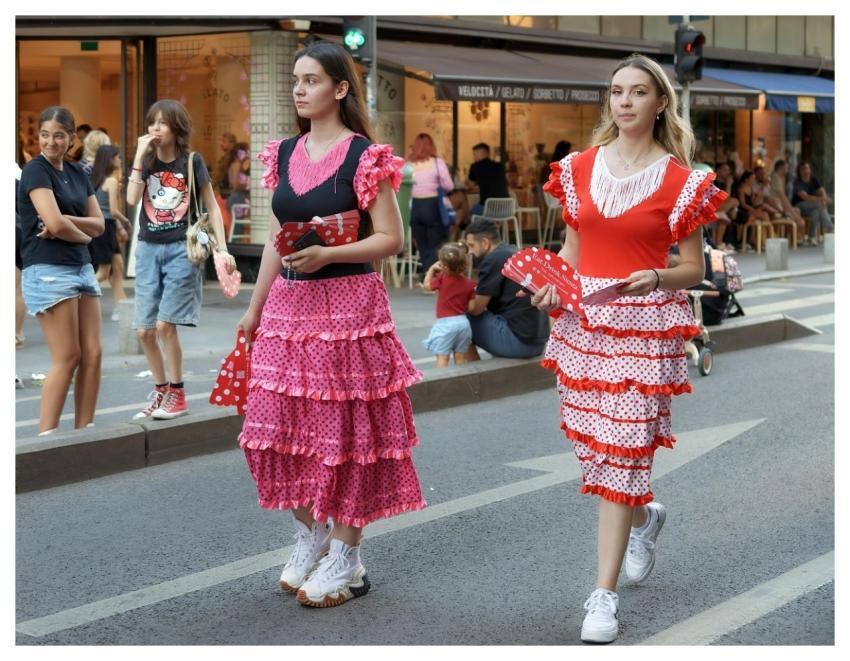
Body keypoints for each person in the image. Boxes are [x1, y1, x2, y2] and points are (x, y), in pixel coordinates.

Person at [536, 54, 727, 644]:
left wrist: (658, 277)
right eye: (617, 91)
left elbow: (694, 268)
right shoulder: (577, 168)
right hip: (583, 325)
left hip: (643, 327)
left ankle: (603, 598)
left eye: (638, 92)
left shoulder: (683, 182)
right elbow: (571, 252)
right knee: (596, 456)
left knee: (620, 454)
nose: (624, 101)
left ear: (660, 103)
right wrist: (551, 286)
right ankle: (645, 517)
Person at [237, 41, 425, 609]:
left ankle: (346, 554)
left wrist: (329, 256)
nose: (299, 89)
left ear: (340, 89)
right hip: (288, 310)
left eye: (312, 79)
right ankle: (310, 535)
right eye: (296, 79)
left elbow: (390, 239)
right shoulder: (283, 152)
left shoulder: (364, 157)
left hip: (349, 310)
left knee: (346, 435)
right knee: (279, 430)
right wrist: (254, 308)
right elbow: (279, 240)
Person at [126, 99, 236, 420]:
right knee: (144, 331)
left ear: (176, 128)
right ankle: (161, 392)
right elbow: (132, 199)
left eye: (163, 123)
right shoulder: (146, 163)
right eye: (152, 122)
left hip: (181, 249)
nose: (156, 129)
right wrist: (138, 157)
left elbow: (211, 205)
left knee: (164, 324)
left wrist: (223, 248)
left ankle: (178, 394)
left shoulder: (191, 161)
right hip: (147, 250)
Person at [18, 106, 106, 435]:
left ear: (71, 138)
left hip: (81, 267)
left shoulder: (77, 173)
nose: (50, 142)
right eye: (44, 135)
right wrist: (82, 234)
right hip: (47, 269)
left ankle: (84, 434)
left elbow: (99, 223)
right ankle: (46, 439)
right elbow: (54, 224)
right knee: (68, 356)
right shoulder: (35, 170)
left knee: (93, 354)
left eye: (58, 135)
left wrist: (69, 223)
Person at [463, 218, 549, 359]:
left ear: (485, 242)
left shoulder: (493, 259)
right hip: (538, 342)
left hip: (519, 343)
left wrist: (449, 289)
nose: (470, 252)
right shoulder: (514, 251)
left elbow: (476, 308)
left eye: (471, 246)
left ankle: (470, 371)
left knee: (460, 320)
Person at [89, 144, 132, 320]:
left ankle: (122, 309)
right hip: (105, 229)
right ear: (110, 159)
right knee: (103, 273)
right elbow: (113, 211)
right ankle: (75, 294)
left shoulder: (97, 181)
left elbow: (106, 210)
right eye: (118, 157)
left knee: (118, 268)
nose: (120, 160)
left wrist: (119, 227)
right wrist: (126, 221)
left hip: (103, 227)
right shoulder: (111, 181)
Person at [408, 132, 454, 280]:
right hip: (433, 205)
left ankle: (426, 273)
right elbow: (449, 185)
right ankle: (431, 275)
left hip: (414, 206)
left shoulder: (408, 165)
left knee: (422, 243)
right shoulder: (437, 163)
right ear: (431, 146)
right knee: (435, 242)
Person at [422, 242, 476, 367]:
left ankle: (441, 380)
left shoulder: (442, 278)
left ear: (444, 266)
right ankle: (461, 377)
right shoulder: (471, 284)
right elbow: (472, 307)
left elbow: (426, 286)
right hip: (463, 323)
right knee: (460, 357)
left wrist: (431, 269)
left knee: (443, 357)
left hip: (445, 324)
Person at [792, 161, 834, 244]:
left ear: (810, 170)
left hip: (813, 205)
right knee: (819, 205)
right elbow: (805, 197)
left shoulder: (813, 179)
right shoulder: (797, 182)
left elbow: (821, 190)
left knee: (816, 213)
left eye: (807, 168)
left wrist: (824, 197)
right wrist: (822, 199)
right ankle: (830, 227)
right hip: (799, 205)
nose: (806, 170)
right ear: (799, 171)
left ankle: (812, 237)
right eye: (803, 169)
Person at [770, 159, 808, 244]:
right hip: (776, 206)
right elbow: (782, 197)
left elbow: (783, 198)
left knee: (797, 211)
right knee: (797, 217)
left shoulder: (779, 178)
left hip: (780, 204)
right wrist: (791, 211)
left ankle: (797, 237)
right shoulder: (775, 178)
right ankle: (797, 238)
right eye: (787, 168)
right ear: (782, 168)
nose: (788, 170)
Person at [734, 170, 774, 251]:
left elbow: (753, 202)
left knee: (765, 214)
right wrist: (752, 209)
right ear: (746, 179)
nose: (753, 180)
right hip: (744, 210)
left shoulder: (751, 188)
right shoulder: (741, 189)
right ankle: (768, 239)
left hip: (751, 209)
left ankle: (764, 239)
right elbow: (743, 204)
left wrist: (759, 193)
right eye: (752, 178)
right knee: (764, 215)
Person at [465, 142, 509, 216]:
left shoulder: (475, 166)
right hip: (506, 210)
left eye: (474, 154)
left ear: (480, 154)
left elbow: (470, 185)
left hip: (488, 209)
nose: (473, 157)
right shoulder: (500, 166)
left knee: (469, 212)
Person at [712, 161, 739, 251]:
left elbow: (734, 201)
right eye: (725, 170)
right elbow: (725, 200)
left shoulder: (726, 183)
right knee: (730, 204)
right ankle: (719, 243)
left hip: (724, 210)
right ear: (718, 171)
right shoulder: (714, 183)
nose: (727, 173)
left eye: (728, 170)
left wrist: (734, 208)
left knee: (725, 217)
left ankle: (719, 243)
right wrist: (728, 186)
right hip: (712, 208)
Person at [226, 141, 251, 214]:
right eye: (247, 152)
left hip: (234, 196)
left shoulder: (233, 165)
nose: (248, 155)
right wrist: (248, 186)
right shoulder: (237, 165)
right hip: (238, 198)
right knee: (239, 221)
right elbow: (236, 184)